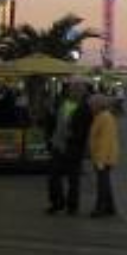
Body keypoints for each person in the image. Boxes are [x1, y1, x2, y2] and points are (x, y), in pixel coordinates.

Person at [44, 82, 92, 215]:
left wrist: (74, 136)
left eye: (78, 90)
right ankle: (57, 203)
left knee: (73, 179)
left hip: (73, 148)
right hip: (57, 145)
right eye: (72, 89)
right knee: (53, 176)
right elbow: (52, 121)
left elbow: (86, 130)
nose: (74, 92)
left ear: (83, 93)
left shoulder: (85, 108)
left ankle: (72, 206)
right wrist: (50, 137)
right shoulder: (61, 103)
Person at [87, 95, 120, 217]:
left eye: (92, 105)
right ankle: (110, 207)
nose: (90, 108)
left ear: (98, 105)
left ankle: (100, 208)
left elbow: (105, 140)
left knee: (102, 183)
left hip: (104, 157)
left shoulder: (105, 118)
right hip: (103, 155)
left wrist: (100, 160)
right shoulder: (100, 116)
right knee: (105, 182)